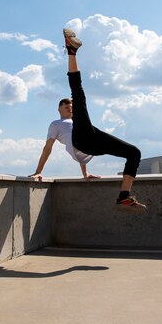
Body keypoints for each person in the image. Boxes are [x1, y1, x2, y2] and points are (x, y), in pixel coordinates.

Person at [30, 28, 146, 209]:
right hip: (81, 140)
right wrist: (38, 172)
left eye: (71, 106)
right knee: (79, 93)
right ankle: (71, 51)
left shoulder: (77, 122)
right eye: (66, 106)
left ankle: (124, 196)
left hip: (92, 140)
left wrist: (86, 173)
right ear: (59, 109)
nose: (70, 108)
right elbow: (49, 147)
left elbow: (81, 156)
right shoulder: (56, 124)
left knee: (134, 153)